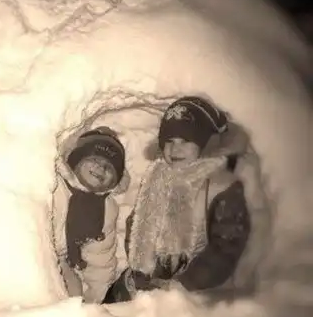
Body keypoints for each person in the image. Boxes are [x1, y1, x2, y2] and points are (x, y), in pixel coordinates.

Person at [104, 95, 254, 302]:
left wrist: (184, 283)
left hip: (195, 288)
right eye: (169, 142)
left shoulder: (221, 186)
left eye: (185, 141)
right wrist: (140, 267)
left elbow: (226, 248)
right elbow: (137, 221)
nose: (175, 149)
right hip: (148, 277)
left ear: (206, 145)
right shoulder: (157, 177)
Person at [53, 126, 131, 303]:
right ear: (76, 159)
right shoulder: (55, 186)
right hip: (37, 251)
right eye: (94, 159)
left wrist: (97, 297)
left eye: (109, 167)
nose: (100, 168)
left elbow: (100, 257)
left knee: (74, 297)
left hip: (63, 261)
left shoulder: (106, 208)